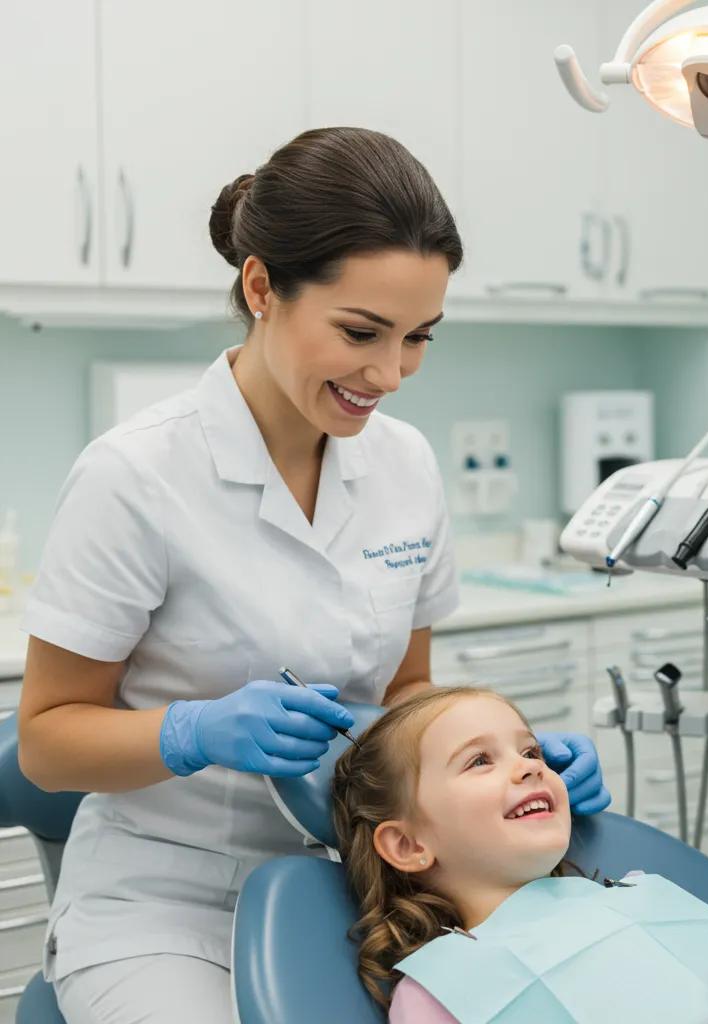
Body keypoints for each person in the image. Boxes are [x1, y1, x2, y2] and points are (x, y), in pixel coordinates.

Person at [16, 126, 609, 1024]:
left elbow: (407, 691)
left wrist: (508, 759)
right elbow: (46, 743)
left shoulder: (405, 465)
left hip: (356, 894)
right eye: (362, 332)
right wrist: (193, 732)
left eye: (418, 338)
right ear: (262, 288)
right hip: (166, 905)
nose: (391, 373)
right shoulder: (134, 476)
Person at [332, 686, 708, 1022]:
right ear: (409, 845)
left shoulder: (641, 902)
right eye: (479, 760)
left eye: (529, 751)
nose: (531, 767)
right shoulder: (443, 991)